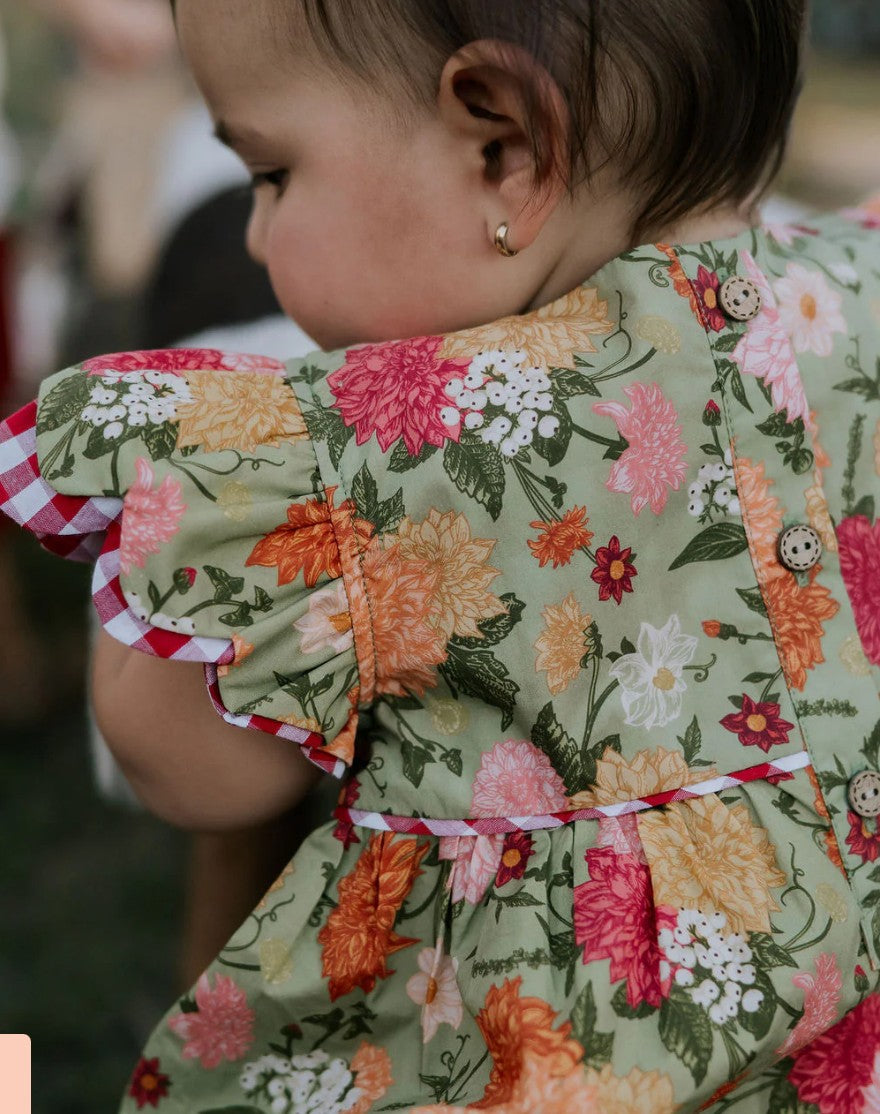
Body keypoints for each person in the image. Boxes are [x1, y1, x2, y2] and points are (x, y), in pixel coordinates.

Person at [1, 0, 879, 1110]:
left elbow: (190, 770)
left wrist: (171, 543)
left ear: (502, 149)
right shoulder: (850, 295)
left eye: (272, 176)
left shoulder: (384, 451)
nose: (257, 235)